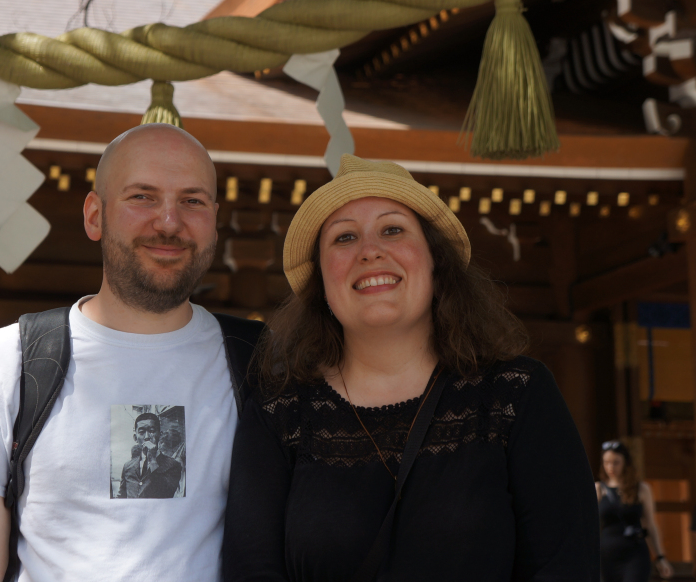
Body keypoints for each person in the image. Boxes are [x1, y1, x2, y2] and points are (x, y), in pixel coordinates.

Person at [222, 155, 600, 581]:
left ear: (436, 262)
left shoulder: (516, 395)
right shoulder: (278, 414)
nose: (370, 251)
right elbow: (250, 571)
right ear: (321, 282)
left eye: (393, 230)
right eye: (344, 237)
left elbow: (566, 566)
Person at [0, 123, 258, 582]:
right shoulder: (8, 362)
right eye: (142, 196)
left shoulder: (258, 363)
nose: (168, 222)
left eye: (192, 201)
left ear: (214, 220)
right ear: (95, 216)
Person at [597, 440, 674, 581]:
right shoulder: (598, 489)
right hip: (606, 556)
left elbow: (651, 525)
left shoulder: (642, 489)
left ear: (625, 463)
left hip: (634, 554)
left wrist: (660, 557)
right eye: (606, 462)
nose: (611, 467)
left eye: (616, 462)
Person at [117, 413, 183, 499]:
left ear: (160, 435)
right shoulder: (128, 466)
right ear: (135, 438)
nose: (147, 437)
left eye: (152, 431)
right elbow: (121, 496)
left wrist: (152, 460)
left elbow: (166, 493)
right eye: (141, 432)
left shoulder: (173, 465)